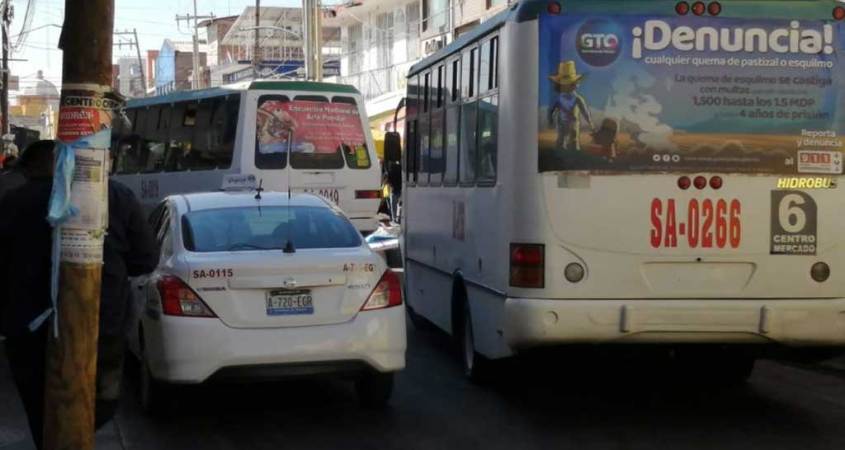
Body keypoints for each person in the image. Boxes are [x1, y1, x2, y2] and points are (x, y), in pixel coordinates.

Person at [0, 140, 158, 449]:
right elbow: (146, 260)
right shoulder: (116, 196)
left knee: (40, 410)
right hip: (101, 326)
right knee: (99, 403)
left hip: (28, 330)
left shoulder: (13, 202)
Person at [547, 61, 594, 152]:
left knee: (573, 140)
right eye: (564, 85)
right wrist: (551, 120)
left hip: (573, 123)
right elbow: (551, 110)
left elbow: (584, 111)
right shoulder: (559, 99)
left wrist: (590, 122)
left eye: (568, 84)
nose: (566, 87)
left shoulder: (577, 98)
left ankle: (572, 152)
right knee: (561, 140)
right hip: (562, 123)